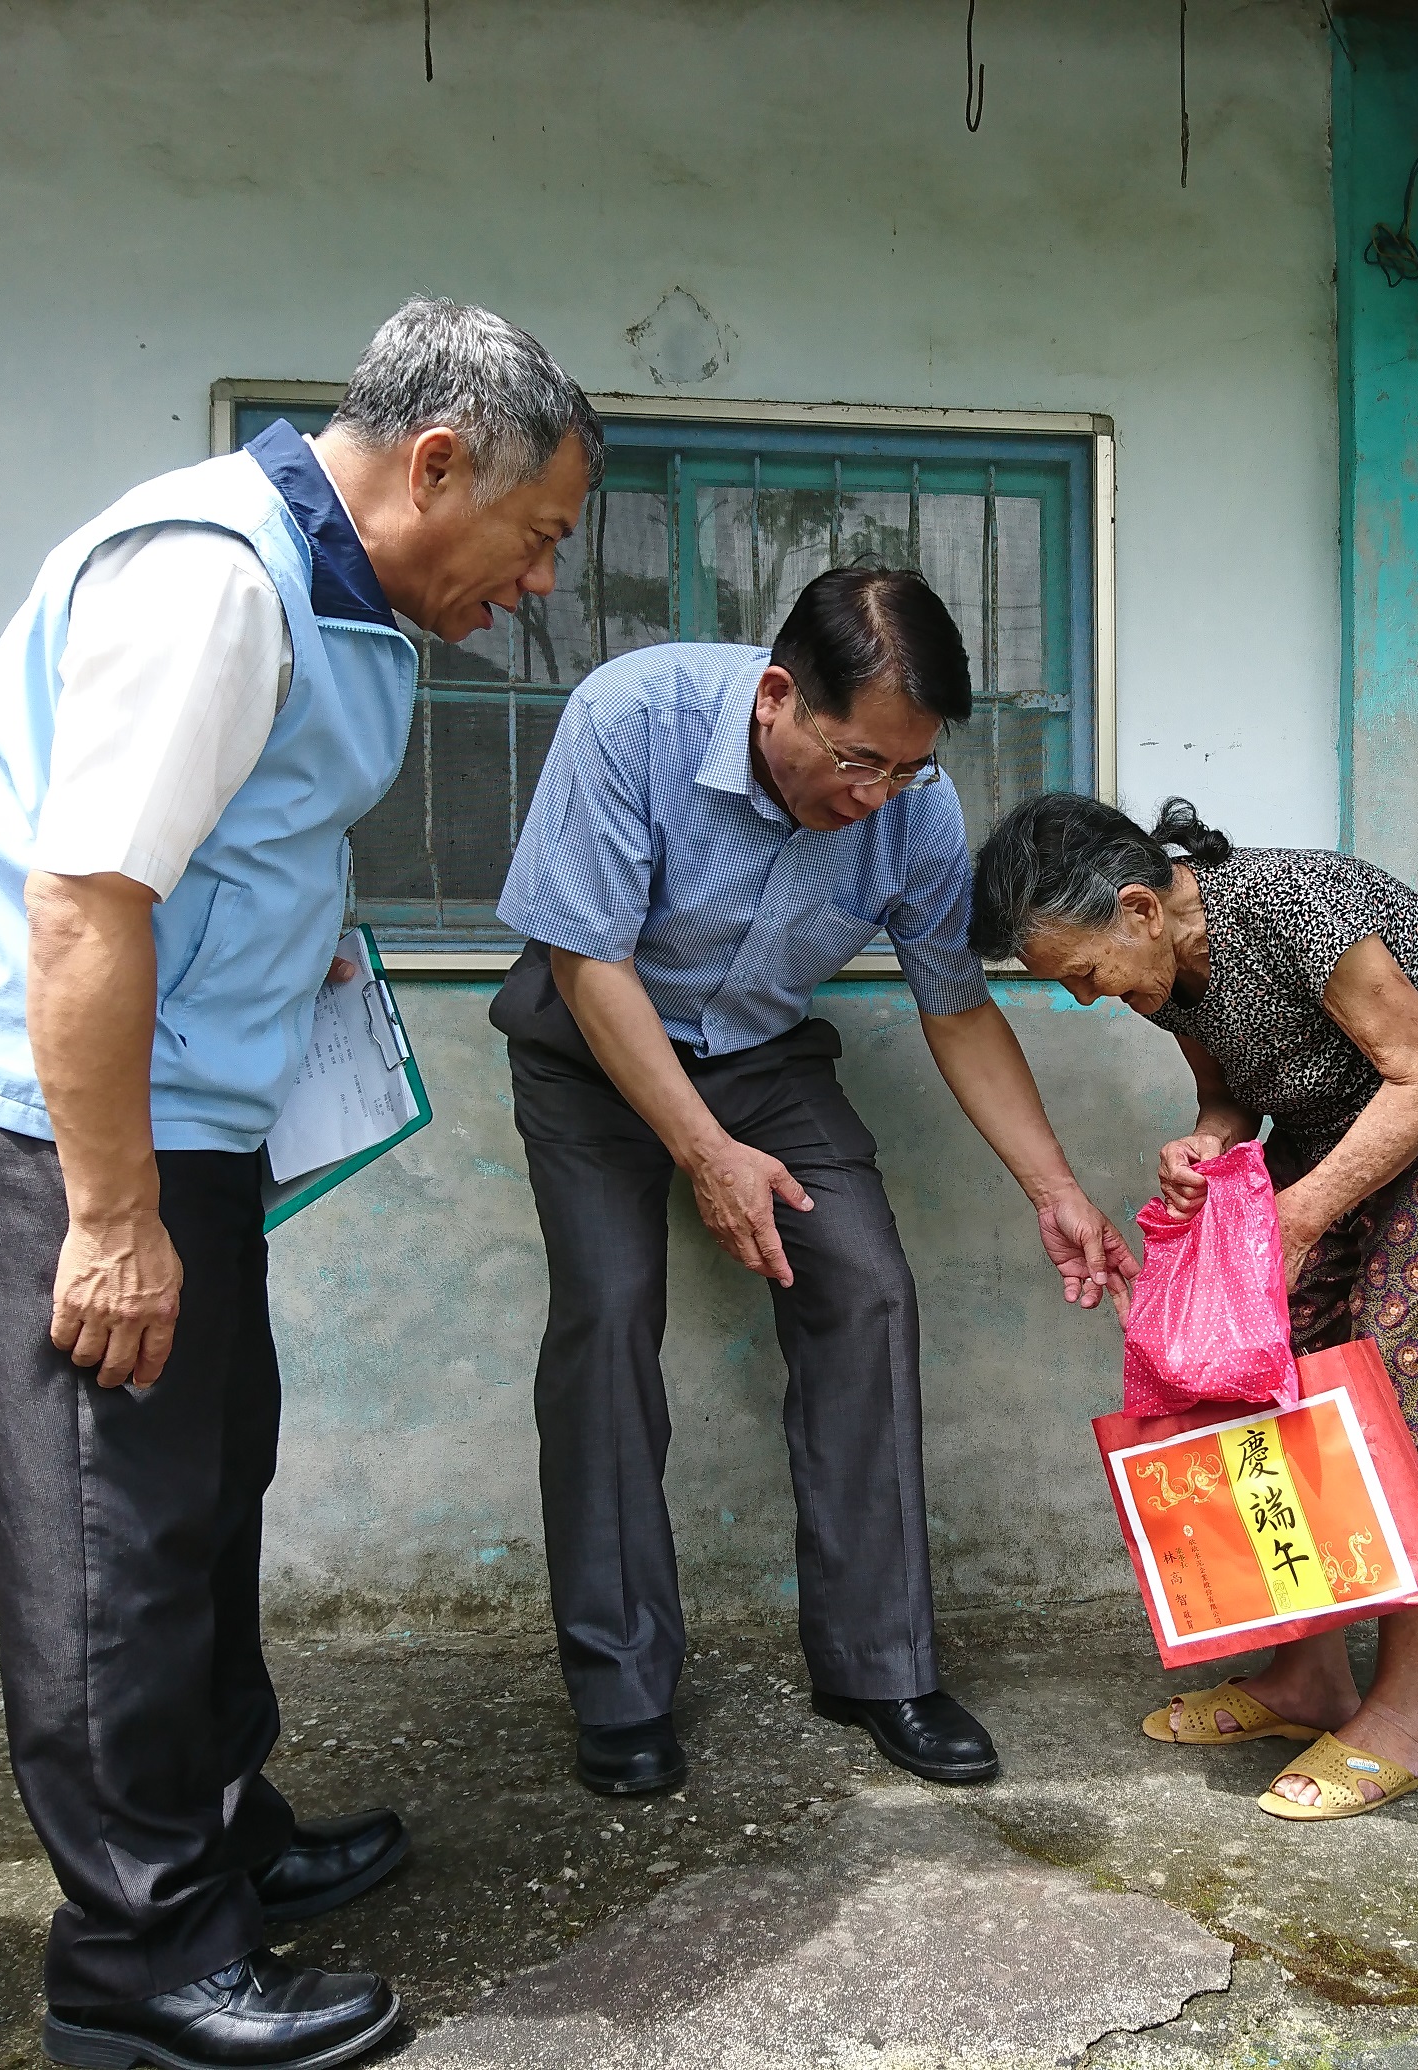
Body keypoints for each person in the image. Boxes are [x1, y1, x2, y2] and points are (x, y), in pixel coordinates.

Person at [0, 297, 599, 2069]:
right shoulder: (213, 575)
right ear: (436, 465)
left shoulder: (348, 591)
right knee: (111, 1531)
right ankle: (136, 1968)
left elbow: (243, 848)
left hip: (188, 1113)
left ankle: (219, 1839)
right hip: (66, 1125)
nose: (537, 585)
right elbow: (88, 906)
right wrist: (110, 1217)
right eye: (540, 537)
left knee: (206, 1478)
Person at [492, 564, 1135, 1800]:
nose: (877, 795)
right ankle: (621, 1686)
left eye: (904, 769)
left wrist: (1050, 1183)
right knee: (610, 1316)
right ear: (778, 695)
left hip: (764, 1058)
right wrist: (702, 1154)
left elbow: (957, 1010)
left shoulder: (915, 807)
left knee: (868, 1289)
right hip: (594, 1050)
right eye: (856, 763)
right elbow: (589, 960)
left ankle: (878, 1665)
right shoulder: (634, 717)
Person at [971, 794, 1418, 1823]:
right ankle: (1305, 1678)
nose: (1094, 999)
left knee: (1403, 1399)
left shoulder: (1288, 903)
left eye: (1086, 975)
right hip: (1336, 1116)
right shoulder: (1166, 981)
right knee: (1273, 1372)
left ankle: (1410, 1717)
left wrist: (1300, 1216)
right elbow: (1237, 1092)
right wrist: (1208, 1140)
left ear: (1139, 908)